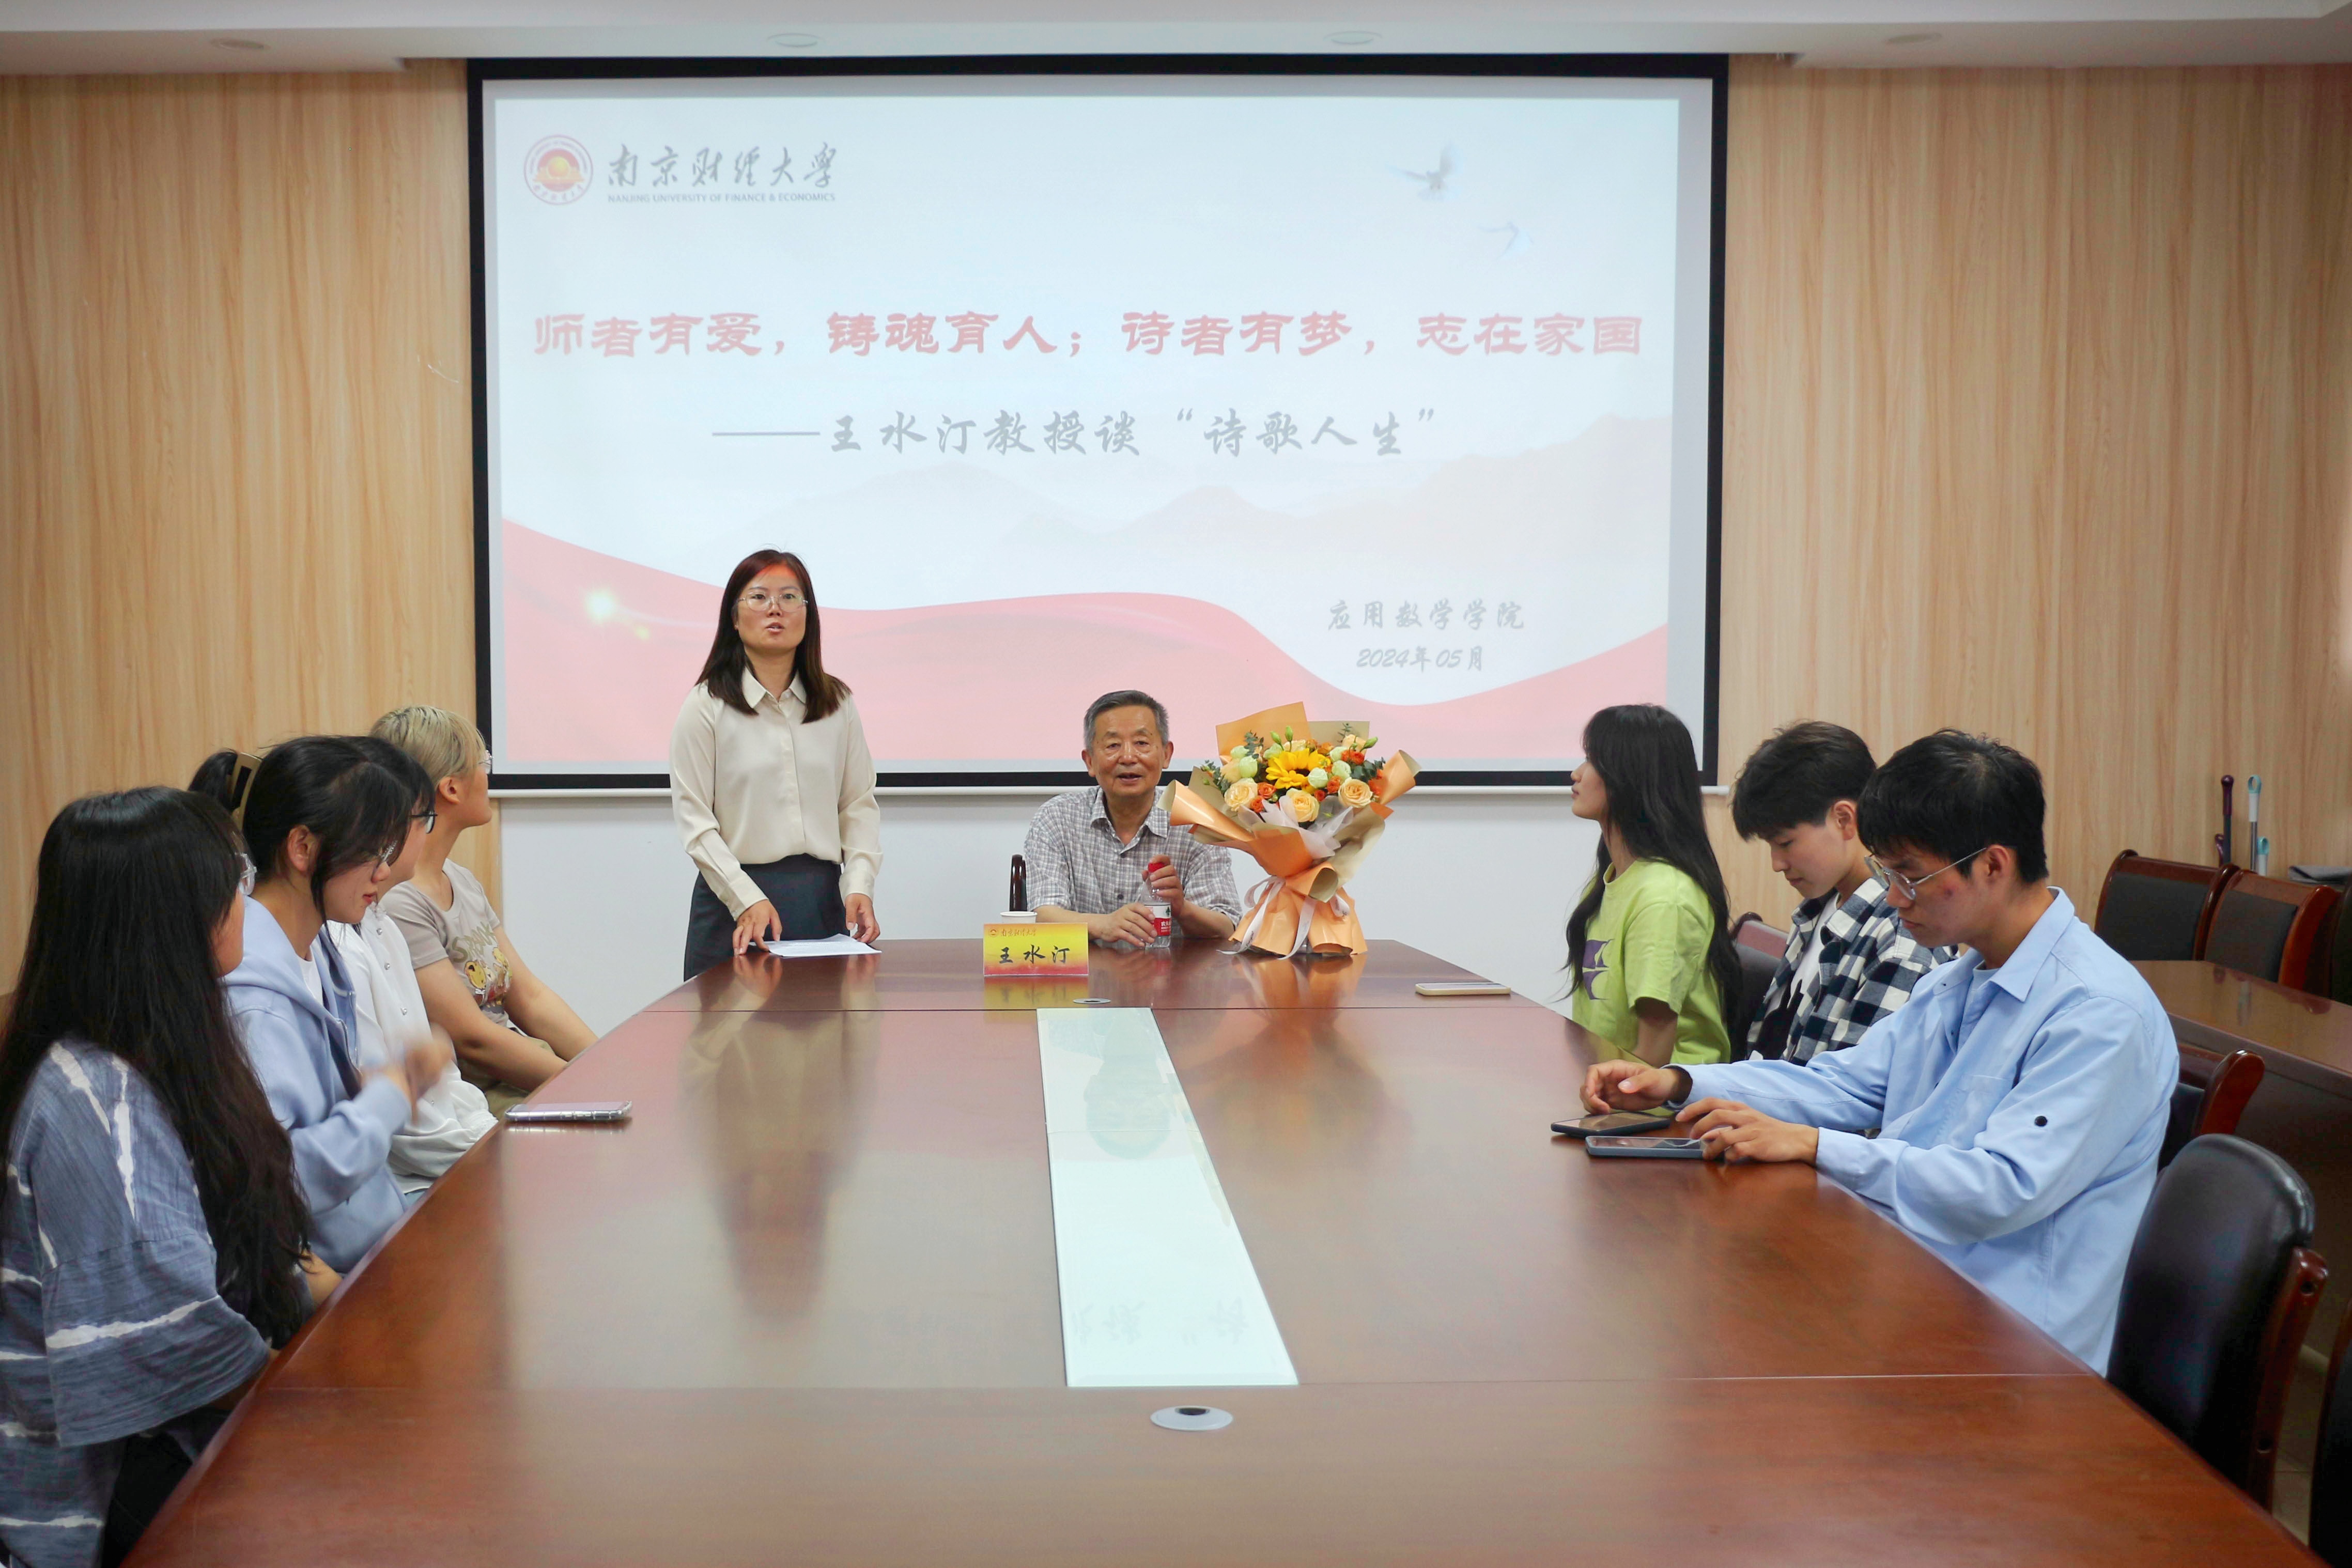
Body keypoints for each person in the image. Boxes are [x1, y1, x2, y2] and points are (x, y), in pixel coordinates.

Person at [1582, 731, 2174, 1372]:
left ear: (1992, 866)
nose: (1893, 898)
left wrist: (1815, 1145)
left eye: (1910, 876)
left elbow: (2000, 1187)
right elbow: (1846, 1083)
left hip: (2008, 1348)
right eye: (1887, 874)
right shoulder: (1961, 978)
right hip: (1907, 1282)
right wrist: (1679, 1082)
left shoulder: (2095, 1011)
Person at [0, 790, 323, 1568]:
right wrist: (320, 1389)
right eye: (234, 876)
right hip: (115, 1486)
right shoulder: (91, 1101)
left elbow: (249, 1238)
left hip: (186, 1434)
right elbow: (171, 1353)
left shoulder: (167, 1046)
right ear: (175, 916)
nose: (245, 895)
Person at [192, 740, 451, 1273]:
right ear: (303, 847)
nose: (383, 872)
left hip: (376, 1236)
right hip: (333, 1272)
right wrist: (394, 1092)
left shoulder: (319, 945)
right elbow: (286, 1180)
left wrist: (375, 1081)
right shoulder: (252, 997)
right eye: (372, 850)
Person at [374, 706, 597, 1117]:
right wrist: (588, 1083)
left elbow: (530, 997)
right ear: (451, 789)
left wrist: (605, 1061)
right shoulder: (401, 901)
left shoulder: (460, 879)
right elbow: (474, 1040)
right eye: (484, 764)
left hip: (521, 1072)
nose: (488, 775)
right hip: (479, 1095)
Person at [670, 549, 883, 980]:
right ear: (734, 617)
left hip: (820, 903)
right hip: (734, 905)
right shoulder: (706, 705)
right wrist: (744, 897)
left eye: (789, 597)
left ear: (808, 615)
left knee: (822, 1023)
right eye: (759, 597)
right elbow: (696, 822)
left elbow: (857, 805)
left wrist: (859, 883)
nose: (775, 609)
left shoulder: (837, 704)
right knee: (729, 1025)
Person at [328, 737, 496, 1193]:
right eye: (425, 821)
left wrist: (490, 1133)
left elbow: (444, 1083)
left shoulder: (383, 926)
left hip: (449, 1155)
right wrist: (494, 1151)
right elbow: (400, 1126)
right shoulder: (343, 946)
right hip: (408, 1184)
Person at [1728, 721, 1952, 1062]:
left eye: (1785, 843)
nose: (1777, 863)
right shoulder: (1818, 908)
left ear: (1844, 819)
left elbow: (1853, 1087)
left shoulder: (1903, 938)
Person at [1564, 704, 1737, 1066]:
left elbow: (1652, 1060)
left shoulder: (1663, 898)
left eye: (1592, 760)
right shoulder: (1613, 878)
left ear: (1629, 777)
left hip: (1662, 1096)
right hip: (1611, 1081)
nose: (1576, 773)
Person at [1022, 690, 1242, 946]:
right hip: (1087, 971)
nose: (1128, 757)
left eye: (1142, 743)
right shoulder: (1056, 818)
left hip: (1171, 971)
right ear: (1090, 761)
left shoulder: (1194, 822)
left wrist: (1182, 908)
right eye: (1113, 745)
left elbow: (1226, 926)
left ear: (1166, 754)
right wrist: (1104, 925)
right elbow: (1043, 915)